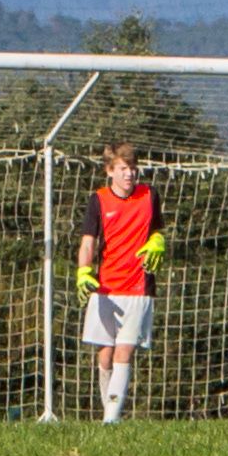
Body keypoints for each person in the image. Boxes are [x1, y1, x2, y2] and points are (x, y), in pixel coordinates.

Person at [74, 136, 166, 422]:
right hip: (106, 287)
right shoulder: (98, 200)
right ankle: (108, 411)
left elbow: (157, 230)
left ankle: (110, 422)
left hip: (138, 287)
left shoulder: (149, 196)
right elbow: (88, 242)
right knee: (105, 355)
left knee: (124, 352)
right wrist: (83, 271)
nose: (130, 173)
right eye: (123, 168)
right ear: (110, 171)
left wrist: (158, 241)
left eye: (133, 167)